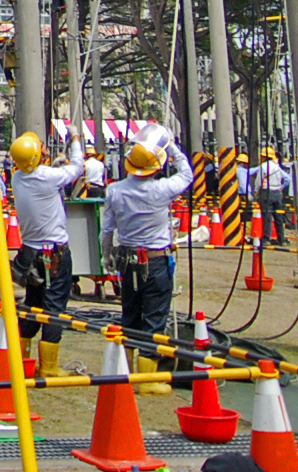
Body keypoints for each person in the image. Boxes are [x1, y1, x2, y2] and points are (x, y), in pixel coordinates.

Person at [99, 126, 192, 396]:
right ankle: (146, 380)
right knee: (154, 318)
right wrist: (171, 146)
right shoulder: (162, 190)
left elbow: (107, 230)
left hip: (127, 260)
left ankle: (126, 372)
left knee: (129, 314)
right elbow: (186, 174)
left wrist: (107, 257)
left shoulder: (115, 191)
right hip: (155, 261)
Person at [8, 131, 85, 377]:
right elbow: (77, 169)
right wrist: (74, 142)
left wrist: (53, 164)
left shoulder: (18, 178)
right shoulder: (47, 177)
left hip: (29, 252)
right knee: (54, 306)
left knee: (33, 303)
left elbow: (40, 175)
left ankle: (22, 359)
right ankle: (49, 366)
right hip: (53, 252)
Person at [252, 149, 289, 244]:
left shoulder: (263, 167)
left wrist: (256, 193)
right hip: (277, 193)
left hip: (266, 192)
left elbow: (258, 182)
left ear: (264, 156)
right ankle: (282, 240)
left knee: (267, 217)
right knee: (278, 217)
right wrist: (280, 187)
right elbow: (286, 179)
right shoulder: (277, 167)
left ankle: (266, 239)